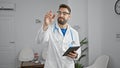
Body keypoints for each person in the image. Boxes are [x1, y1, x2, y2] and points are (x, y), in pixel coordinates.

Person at [36, 4, 81, 68]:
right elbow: (39, 40)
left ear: (69, 16)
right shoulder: (49, 29)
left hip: (68, 65)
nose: (61, 15)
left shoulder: (74, 33)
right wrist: (46, 25)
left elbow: (78, 50)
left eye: (64, 13)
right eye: (59, 12)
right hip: (52, 65)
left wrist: (76, 55)